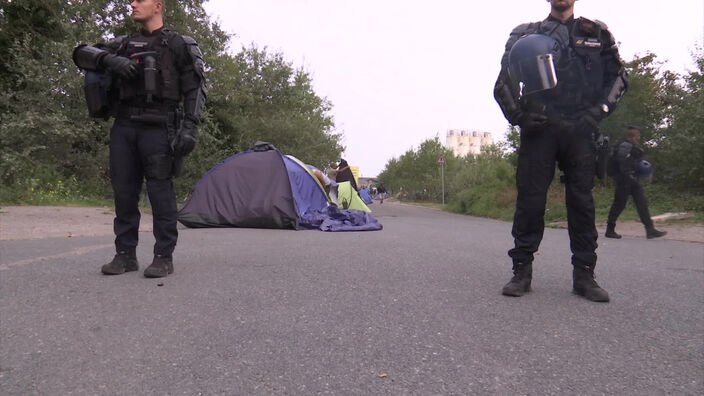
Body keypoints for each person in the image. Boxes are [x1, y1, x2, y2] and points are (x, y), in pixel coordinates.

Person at [494, 0, 628, 302]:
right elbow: (503, 83)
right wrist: (519, 117)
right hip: (539, 128)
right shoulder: (525, 35)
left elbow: (619, 78)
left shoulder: (598, 34)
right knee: (530, 200)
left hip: (581, 129)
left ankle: (584, 275)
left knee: (582, 202)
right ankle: (521, 271)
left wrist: (598, 112)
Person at [72, 0, 207, 278]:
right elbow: (80, 53)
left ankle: (163, 256)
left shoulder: (179, 44)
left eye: (139, 0)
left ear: (158, 5)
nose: (132, 4)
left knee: (160, 193)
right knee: (123, 193)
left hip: (160, 127)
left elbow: (196, 86)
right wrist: (109, 60)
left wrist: (190, 127)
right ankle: (125, 255)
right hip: (124, 126)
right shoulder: (121, 44)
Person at [605, 127, 667, 239]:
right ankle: (610, 230)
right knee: (619, 204)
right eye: (637, 135)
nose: (638, 137)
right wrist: (627, 174)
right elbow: (622, 162)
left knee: (642, 203)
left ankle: (650, 229)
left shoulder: (631, 145)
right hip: (624, 179)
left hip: (631, 179)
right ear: (633, 135)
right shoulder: (625, 145)